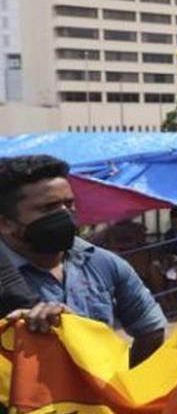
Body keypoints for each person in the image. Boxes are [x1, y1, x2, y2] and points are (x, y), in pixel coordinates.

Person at [0, 155, 167, 367]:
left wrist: (123, 389)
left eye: (69, 204)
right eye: (48, 208)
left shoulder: (104, 264)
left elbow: (151, 330)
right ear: (5, 223)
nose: (64, 214)